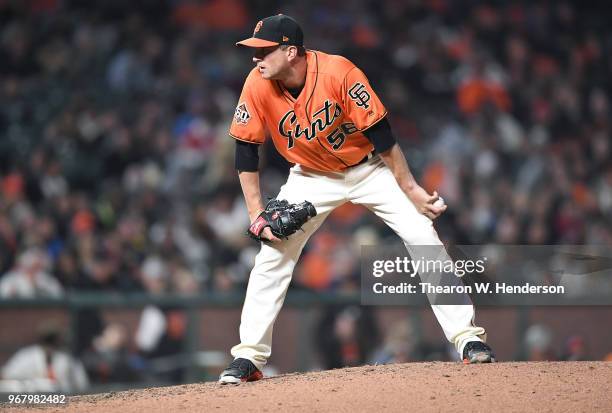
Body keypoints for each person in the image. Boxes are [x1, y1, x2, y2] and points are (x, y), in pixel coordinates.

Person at [219, 14, 494, 384]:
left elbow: (382, 135)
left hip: (370, 170)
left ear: (291, 51)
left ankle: (467, 340)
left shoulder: (339, 73)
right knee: (272, 256)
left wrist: (410, 188)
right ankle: (249, 357)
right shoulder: (257, 83)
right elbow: (246, 152)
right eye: (254, 52)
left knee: (423, 237)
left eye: (265, 51)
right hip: (310, 177)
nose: (256, 58)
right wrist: (256, 213)